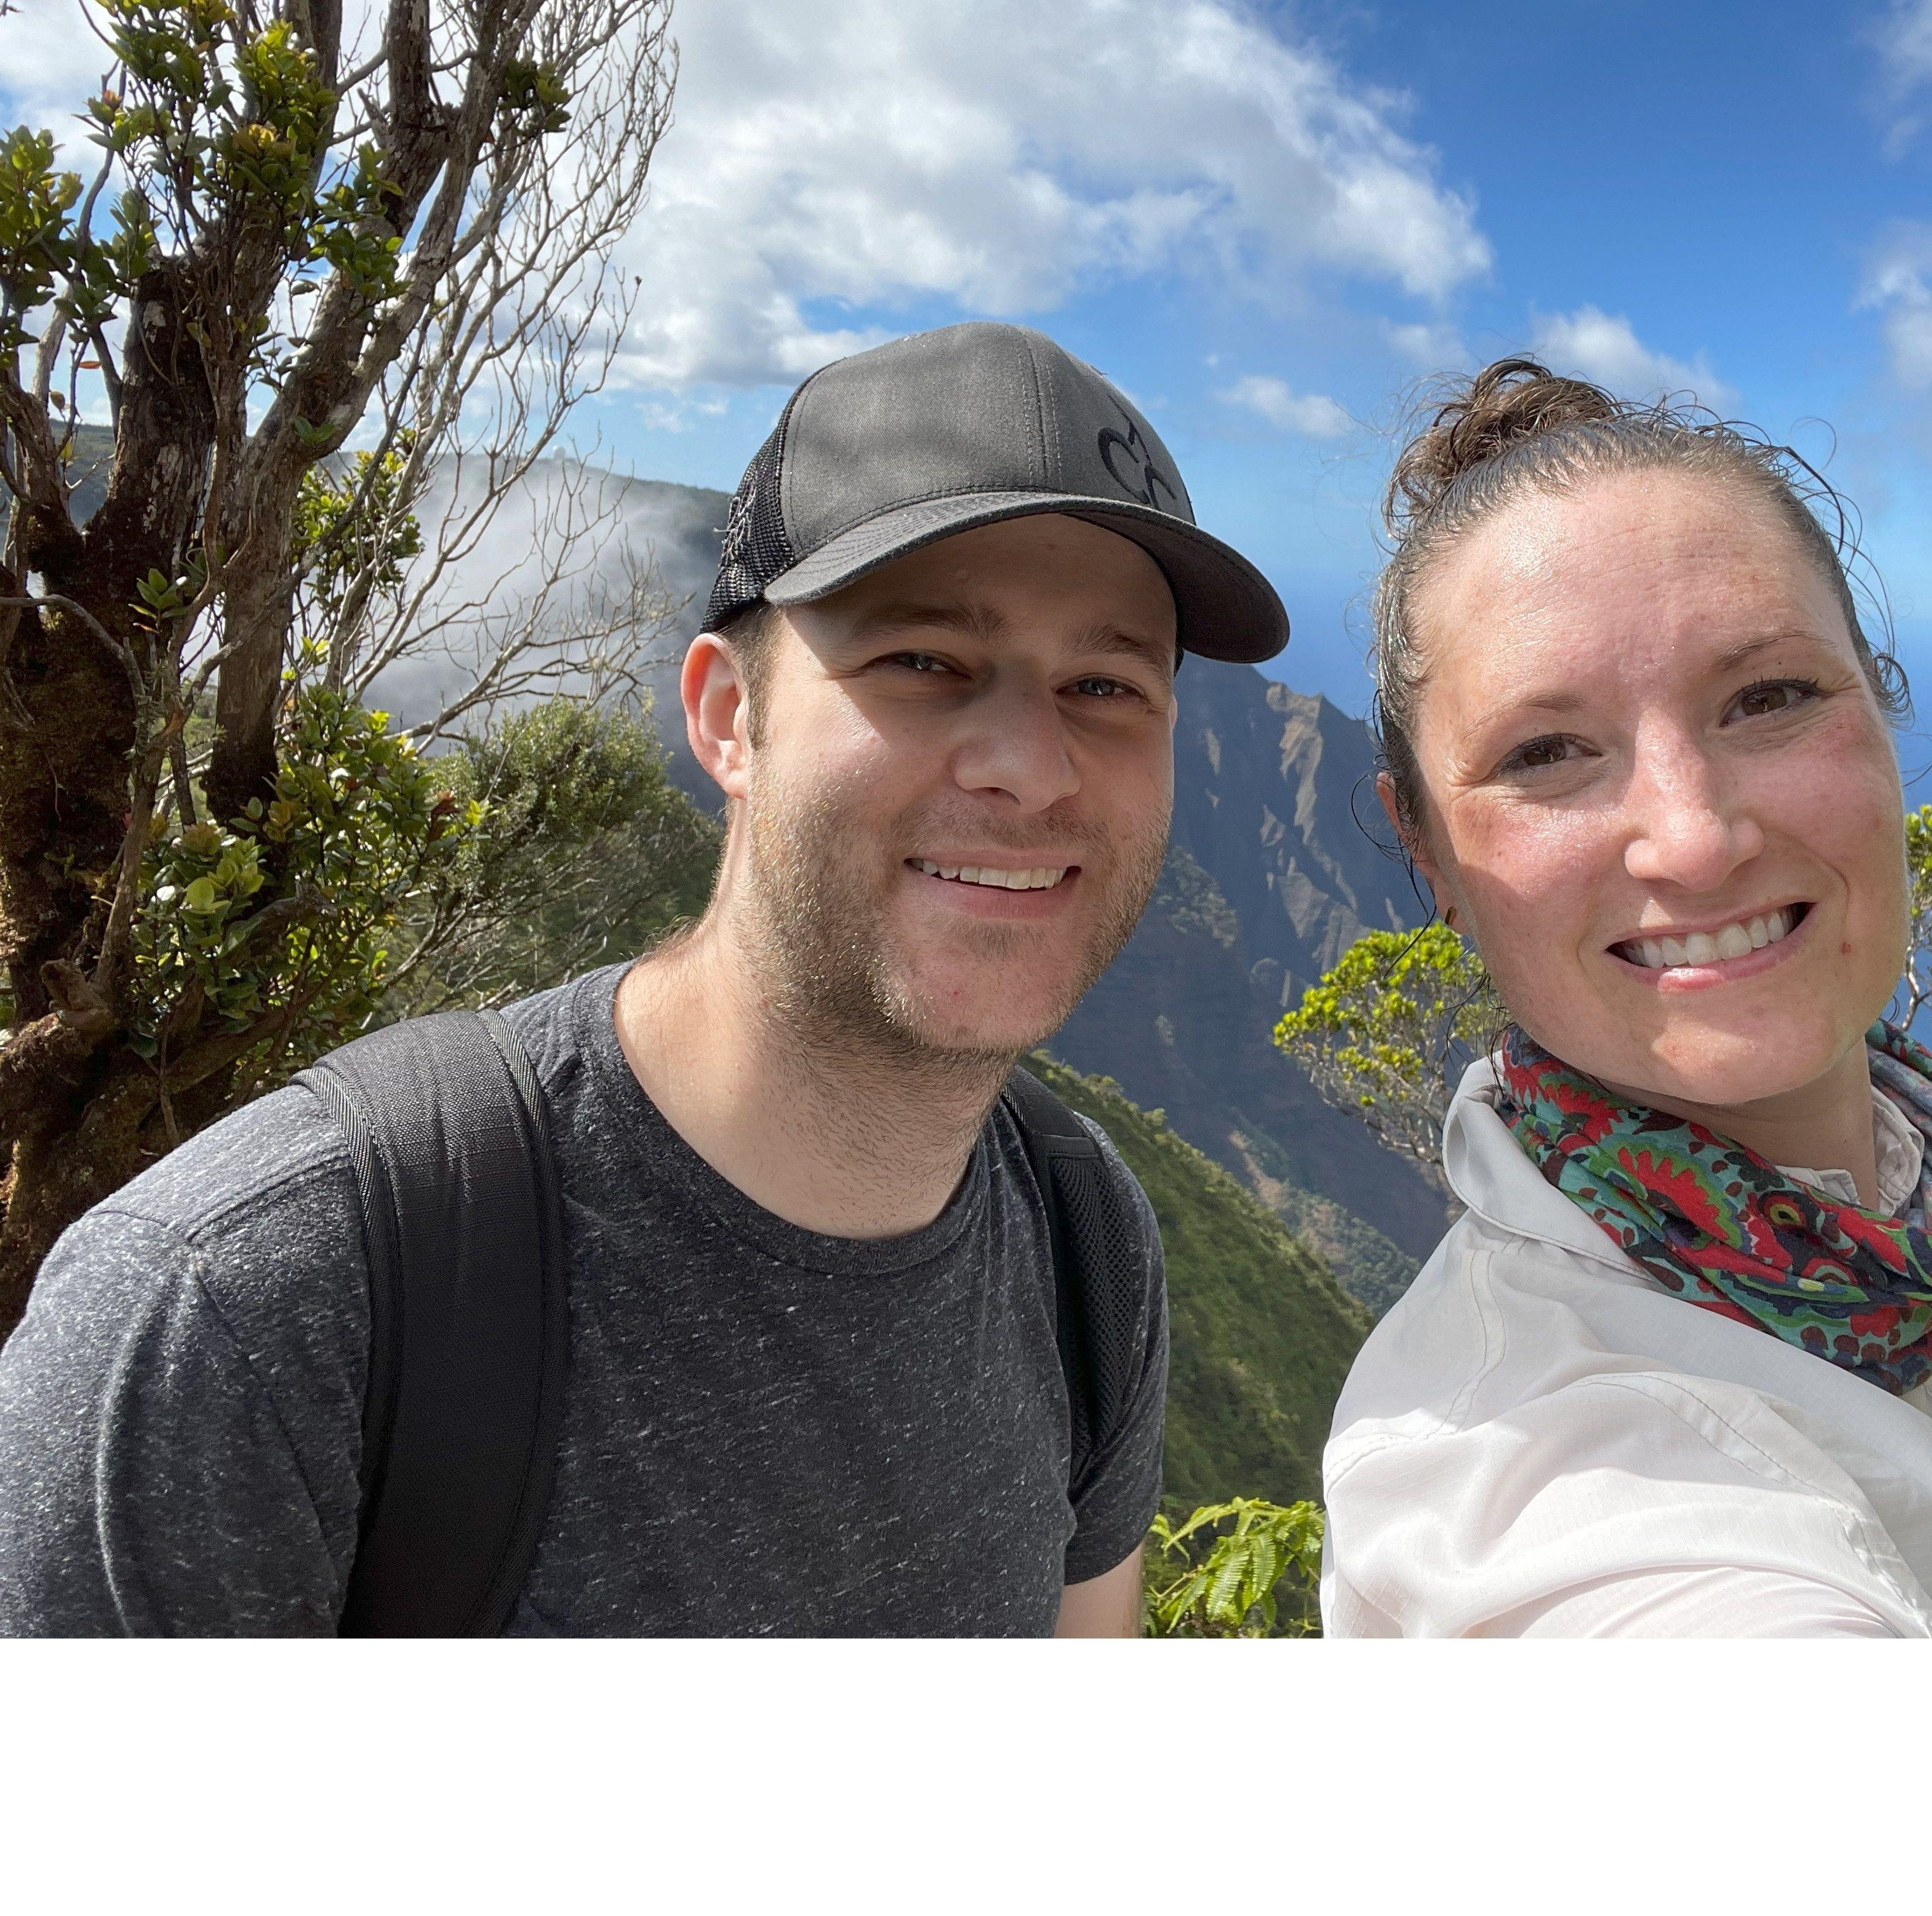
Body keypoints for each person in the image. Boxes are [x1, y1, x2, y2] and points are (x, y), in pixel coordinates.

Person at [0, 320, 1289, 1637]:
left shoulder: (1088, 1250)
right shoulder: (242, 1317)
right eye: (924, 661)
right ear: (730, 717)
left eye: (1103, 682)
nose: (1031, 761)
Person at [1319, 358, 1932, 1639]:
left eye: (1769, 697)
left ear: (1881, 708)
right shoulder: (1535, 1468)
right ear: (1432, 859)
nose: (1693, 841)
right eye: (1546, 754)